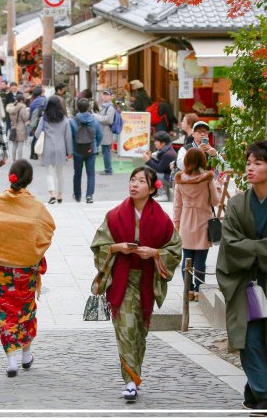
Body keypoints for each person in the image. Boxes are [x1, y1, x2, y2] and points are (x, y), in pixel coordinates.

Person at [216, 141, 267, 416]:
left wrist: (250, 246)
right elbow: (230, 241)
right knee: (249, 338)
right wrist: (262, 246)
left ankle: (251, 392)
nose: (250, 168)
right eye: (249, 163)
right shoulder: (237, 204)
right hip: (243, 281)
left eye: (258, 163)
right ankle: (263, 398)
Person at [90, 166, 182, 401]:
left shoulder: (161, 219)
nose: (134, 184)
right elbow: (99, 245)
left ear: (152, 189)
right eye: (133, 180)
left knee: (139, 332)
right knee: (125, 329)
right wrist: (116, 247)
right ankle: (129, 381)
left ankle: (135, 373)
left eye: (141, 181)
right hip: (122, 280)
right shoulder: (115, 215)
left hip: (146, 281)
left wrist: (155, 253)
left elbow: (175, 249)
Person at [0, 160, 56, 377]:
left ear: (10, 176)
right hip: (25, 270)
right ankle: (26, 354)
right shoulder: (36, 207)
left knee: (5, 312)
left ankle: (11, 358)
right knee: (25, 311)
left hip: (0, 271)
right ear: (29, 180)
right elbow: (48, 230)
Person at [173, 147, 218, 301]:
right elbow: (215, 201)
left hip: (186, 220)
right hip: (203, 219)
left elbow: (177, 204)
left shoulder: (180, 179)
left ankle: (188, 290)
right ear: (202, 161)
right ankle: (199, 291)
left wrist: (177, 223)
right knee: (200, 259)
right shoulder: (207, 178)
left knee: (187, 257)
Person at [34, 95, 73, 204]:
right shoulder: (65, 119)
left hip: (47, 148)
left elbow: (37, 134)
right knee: (60, 173)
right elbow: (68, 136)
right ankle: (60, 195)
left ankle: (52, 195)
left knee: (49, 173)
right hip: (60, 149)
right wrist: (70, 152)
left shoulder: (44, 118)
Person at [70, 97, 103, 204]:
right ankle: (89, 196)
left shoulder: (72, 121)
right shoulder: (95, 120)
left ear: (77, 108)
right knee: (91, 173)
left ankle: (78, 195)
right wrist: (95, 145)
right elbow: (100, 135)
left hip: (77, 150)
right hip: (91, 149)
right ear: (89, 107)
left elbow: (70, 137)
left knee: (77, 173)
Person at [142, 131, 177, 198]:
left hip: (171, 179)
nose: (155, 143)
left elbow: (159, 169)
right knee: (149, 170)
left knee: (153, 174)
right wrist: (150, 158)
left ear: (163, 143)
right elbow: (160, 165)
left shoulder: (168, 154)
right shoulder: (167, 150)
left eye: (156, 141)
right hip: (168, 176)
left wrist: (148, 161)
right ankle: (156, 193)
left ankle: (162, 194)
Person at [95, 89, 116, 175]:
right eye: (104, 95)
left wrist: (96, 116)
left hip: (107, 132)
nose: (105, 96)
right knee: (105, 151)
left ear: (111, 96)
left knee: (106, 152)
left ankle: (108, 169)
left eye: (107, 95)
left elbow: (108, 120)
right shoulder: (104, 106)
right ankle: (107, 169)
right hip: (104, 131)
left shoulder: (110, 107)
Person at [6, 93, 30, 161]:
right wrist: (27, 111)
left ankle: (13, 158)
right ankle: (19, 159)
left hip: (13, 126)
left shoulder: (11, 107)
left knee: (14, 144)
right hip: (20, 127)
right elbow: (25, 118)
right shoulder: (22, 107)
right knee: (20, 144)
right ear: (22, 100)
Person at [28, 86, 47, 160]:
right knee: (41, 137)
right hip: (42, 120)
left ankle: (33, 154)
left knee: (35, 136)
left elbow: (31, 112)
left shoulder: (33, 101)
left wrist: (31, 121)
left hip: (35, 121)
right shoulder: (44, 99)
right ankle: (37, 153)